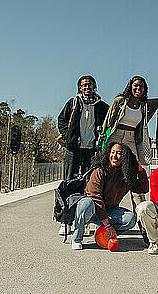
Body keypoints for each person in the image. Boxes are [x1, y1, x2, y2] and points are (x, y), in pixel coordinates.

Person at [71, 142, 149, 250]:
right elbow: (95, 197)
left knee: (130, 219)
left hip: (110, 211)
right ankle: (76, 239)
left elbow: (143, 189)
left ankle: (103, 233)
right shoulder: (100, 170)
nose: (114, 156)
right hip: (93, 209)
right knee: (85, 203)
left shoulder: (126, 175)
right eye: (112, 152)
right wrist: (107, 224)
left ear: (125, 157)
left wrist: (140, 169)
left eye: (119, 153)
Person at [99, 75, 158, 206]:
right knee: (108, 169)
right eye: (136, 85)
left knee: (135, 172)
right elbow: (108, 121)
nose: (138, 88)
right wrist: (103, 142)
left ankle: (141, 213)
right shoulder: (120, 100)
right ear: (130, 86)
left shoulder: (144, 105)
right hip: (115, 136)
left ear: (145, 89)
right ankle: (102, 207)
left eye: (141, 86)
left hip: (131, 138)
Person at [57, 75, 109, 235]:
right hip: (74, 150)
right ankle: (66, 221)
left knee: (90, 185)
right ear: (80, 88)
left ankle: (87, 222)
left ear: (95, 87)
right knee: (68, 184)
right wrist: (68, 137)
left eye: (90, 85)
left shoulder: (101, 106)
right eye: (84, 85)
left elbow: (110, 123)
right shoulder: (73, 103)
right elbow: (61, 120)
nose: (87, 88)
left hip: (92, 150)